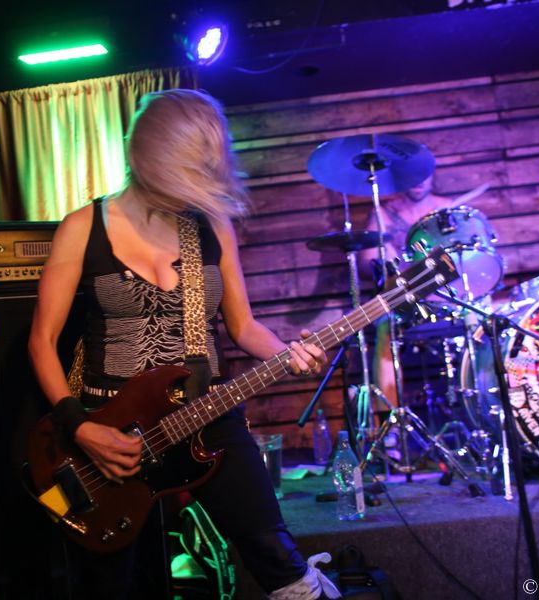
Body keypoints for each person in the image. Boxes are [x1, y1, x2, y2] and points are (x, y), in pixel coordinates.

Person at [28, 89, 340, 599]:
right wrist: (79, 426)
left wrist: (288, 353)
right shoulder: (83, 228)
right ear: (149, 160)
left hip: (205, 411)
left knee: (276, 554)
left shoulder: (211, 224)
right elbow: (42, 340)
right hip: (113, 430)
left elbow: (243, 326)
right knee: (116, 585)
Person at [358, 174, 454, 410]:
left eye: (424, 175)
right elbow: (366, 264)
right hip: (406, 300)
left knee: (481, 319)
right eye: (413, 174)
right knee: (385, 324)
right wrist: (386, 254)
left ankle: (487, 410)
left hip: (448, 296)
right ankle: (389, 421)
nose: (418, 181)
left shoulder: (447, 208)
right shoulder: (383, 214)